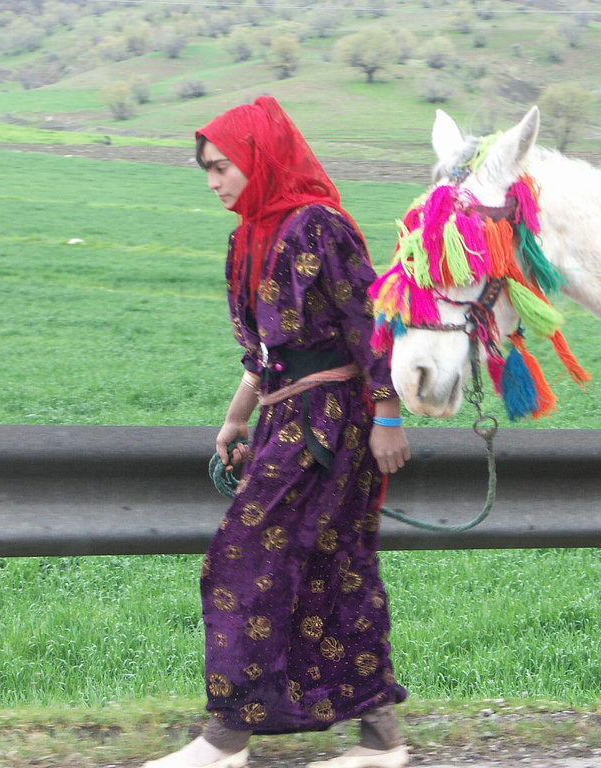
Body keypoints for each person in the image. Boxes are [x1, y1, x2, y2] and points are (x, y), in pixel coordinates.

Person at [144, 96, 412, 768]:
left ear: (259, 158)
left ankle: (227, 737)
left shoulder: (318, 226)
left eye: (223, 166)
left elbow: (370, 326)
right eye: (206, 170)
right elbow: (264, 352)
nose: (214, 182)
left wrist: (387, 416)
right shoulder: (247, 238)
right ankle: (382, 739)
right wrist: (238, 417)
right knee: (335, 568)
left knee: (242, 558)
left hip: (333, 421)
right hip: (281, 416)